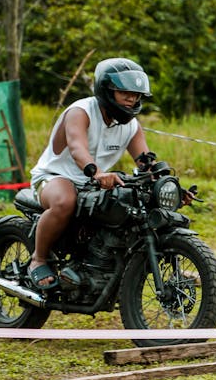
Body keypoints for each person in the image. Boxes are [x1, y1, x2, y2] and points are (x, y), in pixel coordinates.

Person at [26, 57, 155, 291]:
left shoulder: (131, 125)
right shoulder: (81, 111)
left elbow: (146, 161)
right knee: (65, 201)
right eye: (124, 92)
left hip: (94, 184)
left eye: (136, 94)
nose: (131, 98)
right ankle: (39, 259)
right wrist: (96, 173)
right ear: (106, 90)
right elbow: (77, 148)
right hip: (55, 177)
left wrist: (165, 182)